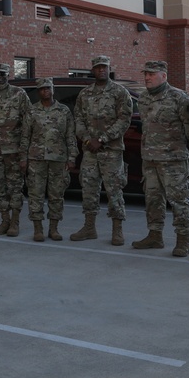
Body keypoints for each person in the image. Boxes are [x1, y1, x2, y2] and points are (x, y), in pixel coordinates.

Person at [132, 61, 189, 256]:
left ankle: (183, 240)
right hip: (150, 159)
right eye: (146, 74)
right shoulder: (143, 99)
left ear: (164, 76)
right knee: (152, 199)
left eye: (152, 74)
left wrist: (179, 148)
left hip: (173, 160)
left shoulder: (179, 98)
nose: (147, 77)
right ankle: (155, 235)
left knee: (178, 200)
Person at [71, 55, 132, 245]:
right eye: (98, 68)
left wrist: (102, 139)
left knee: (114, 191)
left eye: (104, 67)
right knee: (89, 189)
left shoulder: (120, 92)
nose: (101, 70)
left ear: (109, 68)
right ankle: (89, 227)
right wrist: (88, 140)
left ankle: (117, 230)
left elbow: (124, 120)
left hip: (111, 151)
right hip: (90, 151)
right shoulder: (84, 94)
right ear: (93, 70)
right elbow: (78, 119)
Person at [20, 77, 77, 241]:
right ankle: (38, 229)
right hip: (36, 159)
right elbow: (25, 136)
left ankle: (54, 228)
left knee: (56, 195)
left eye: (48, 88)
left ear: (53, 90)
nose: (45, 91)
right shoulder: (32, 111)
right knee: (35, 194)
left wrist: (72, 157)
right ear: (39, 92)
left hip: (58, 159)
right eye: (42, 89)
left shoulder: (64, 111)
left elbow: (70, 136)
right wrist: (23, 158)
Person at [0, 63, 31, 237]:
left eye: (2, 74)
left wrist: (24, 150)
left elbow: (28, 121)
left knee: (15, 187)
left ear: (8, 75)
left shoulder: (19, 94)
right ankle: (4, 220)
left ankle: (14, 222)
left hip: (14, 149)